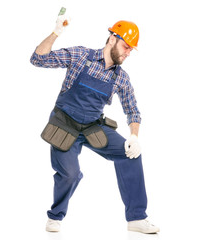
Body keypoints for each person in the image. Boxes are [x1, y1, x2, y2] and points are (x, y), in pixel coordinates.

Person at [30, 13, 159, 234]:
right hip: (64, 125)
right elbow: (38, 59)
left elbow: (132, 110)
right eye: (126, 46)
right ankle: (55, 216)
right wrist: (56, 33)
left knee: (131, 155)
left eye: (131, 50)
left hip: (92, 127)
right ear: (112, 39)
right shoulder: (81, 56)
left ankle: (136, 217)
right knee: (70, 174)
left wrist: (134, 137)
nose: (128, 53)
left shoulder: (121, 78)